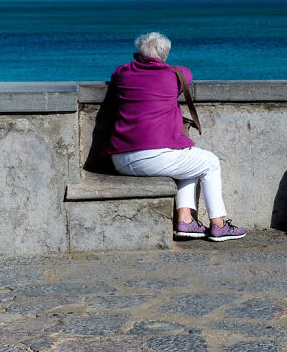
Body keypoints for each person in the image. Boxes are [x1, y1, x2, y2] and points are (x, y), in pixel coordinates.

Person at [104, 32, 246, 242]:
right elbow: (182, 76)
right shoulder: (177, 74)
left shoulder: (122, 73)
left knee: (192, 158)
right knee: (211, 163)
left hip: (120, 159)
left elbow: (118, 74)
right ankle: (218, 224)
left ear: (137, 56)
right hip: (153, 158)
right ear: (165, 55)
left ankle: (186, 220)